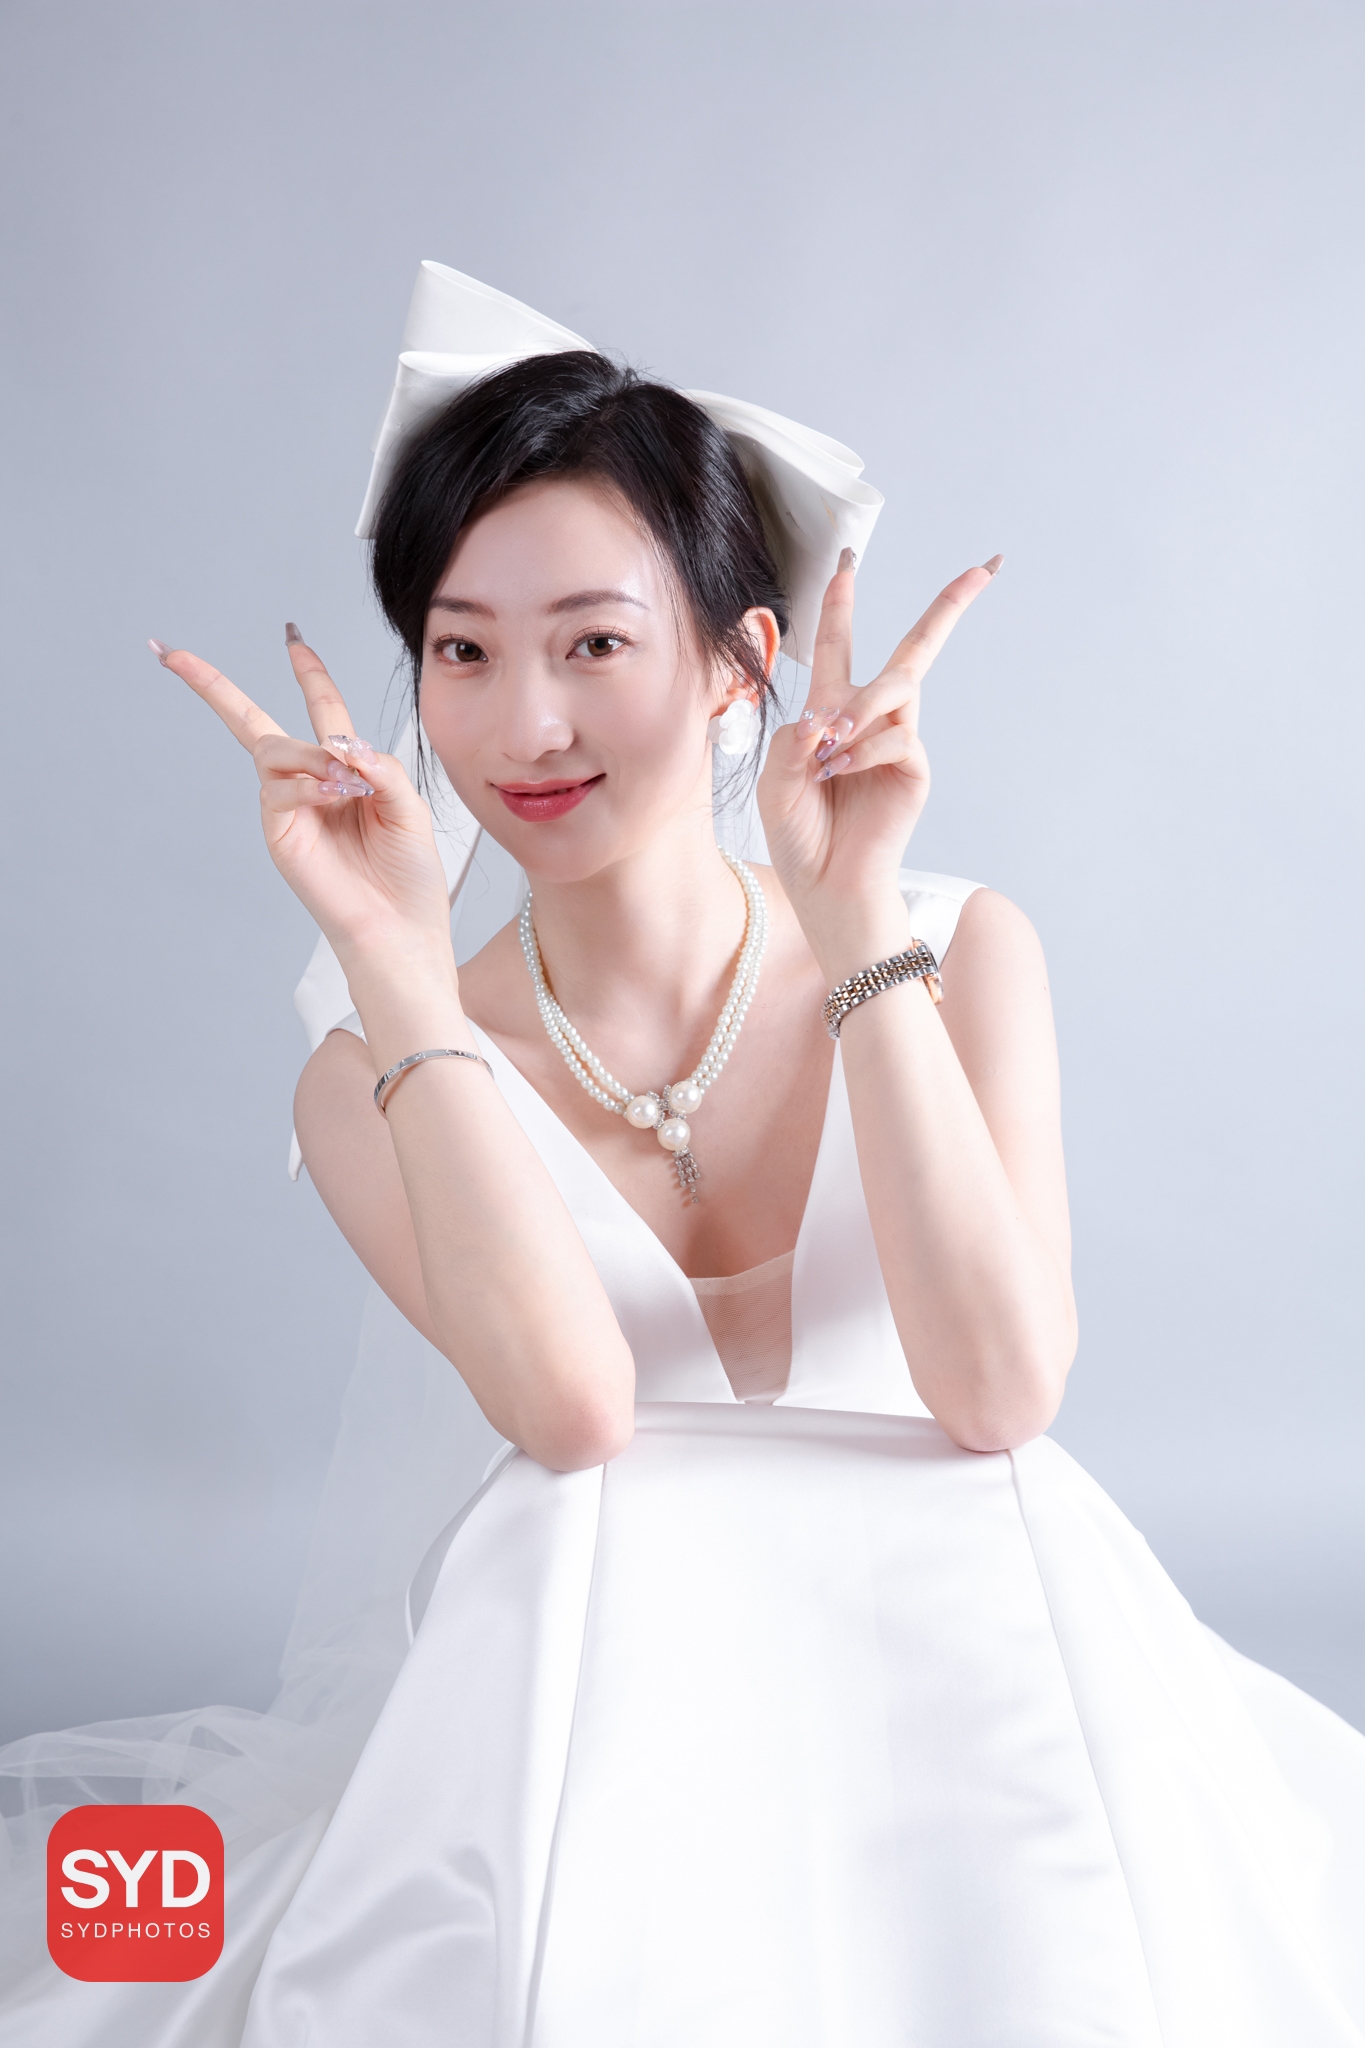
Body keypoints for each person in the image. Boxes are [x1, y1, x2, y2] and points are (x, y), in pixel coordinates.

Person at [3, 272, 1364, 2048]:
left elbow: (997, 1391)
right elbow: (573, 1412)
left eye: (592, 644)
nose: (523, 729)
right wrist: (398, 968)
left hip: (986, 1688)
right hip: (595, 1717)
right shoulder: (367, 1069)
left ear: (738, 662)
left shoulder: (961, 947)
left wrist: (857, 926)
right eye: (461, 650)